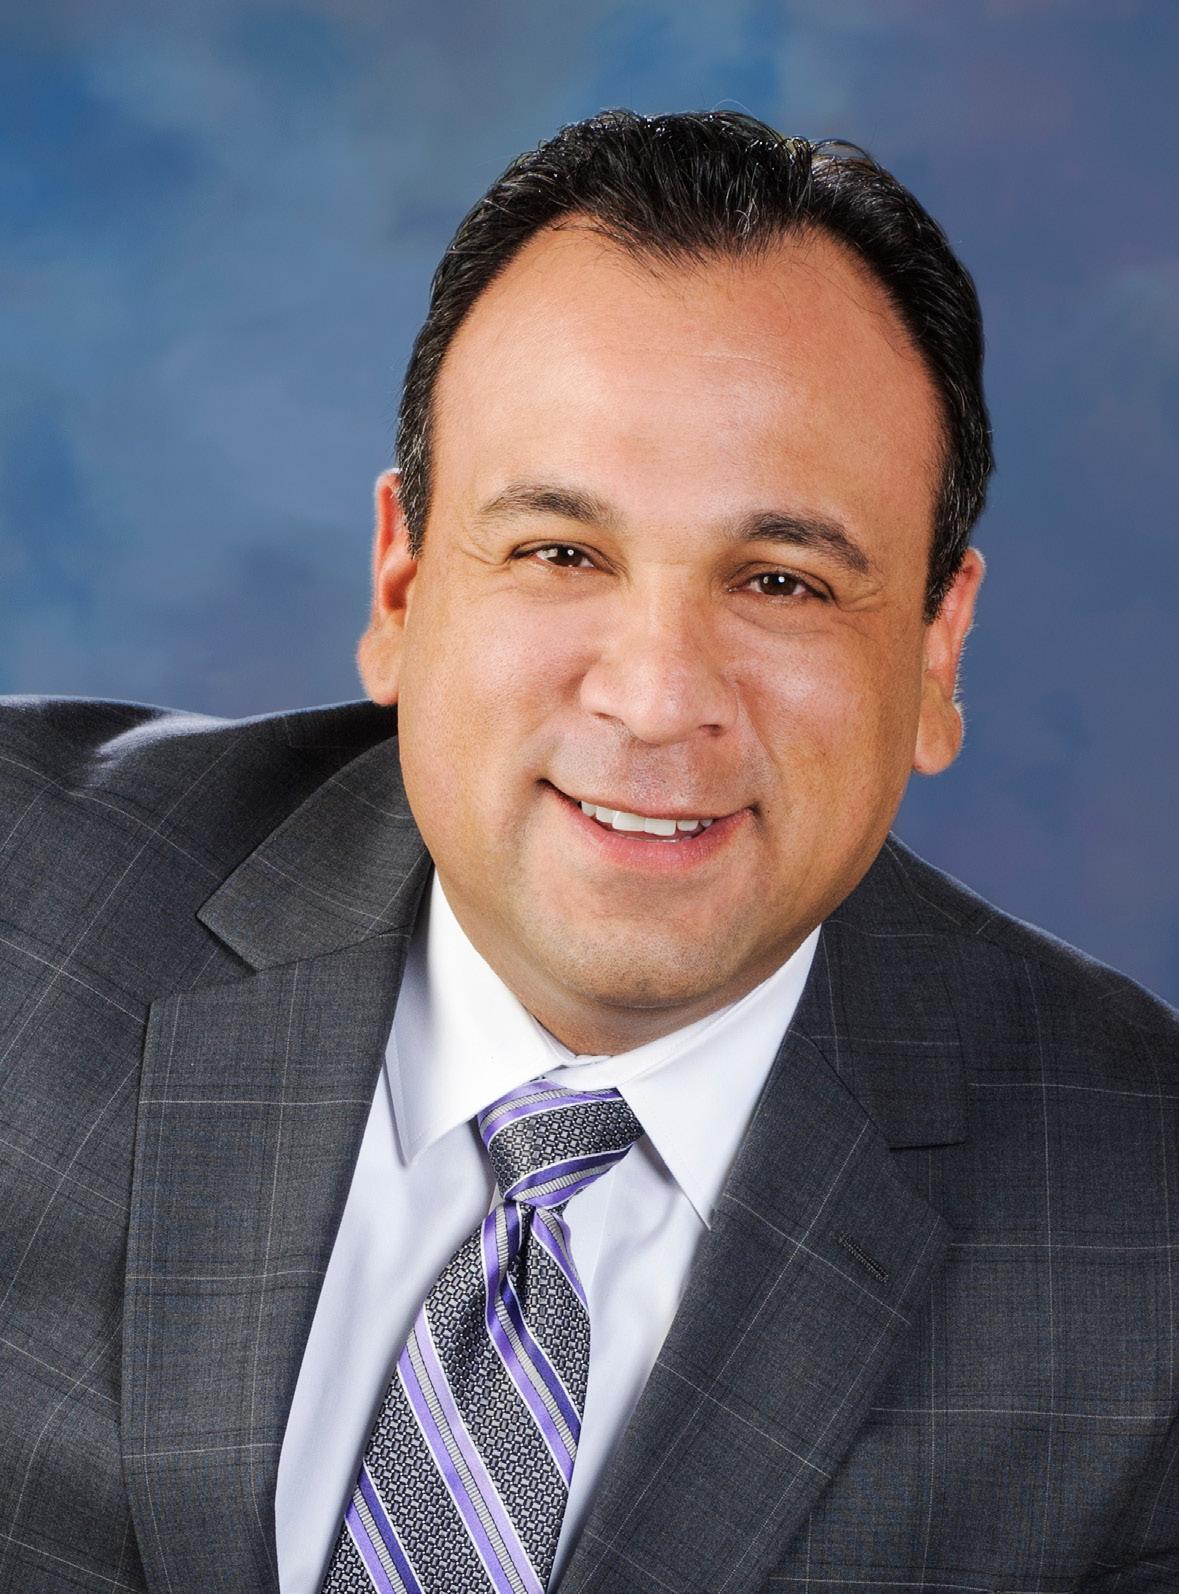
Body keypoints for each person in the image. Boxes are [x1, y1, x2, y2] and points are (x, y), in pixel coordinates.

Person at [0, 109, 1175, 1594]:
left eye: (782, 581)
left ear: (938, 652)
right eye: (561, 552)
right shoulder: (26, 897)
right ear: (402, 585)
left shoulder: (1143, 1248)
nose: (657, 696)